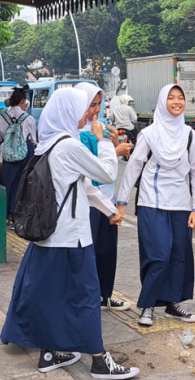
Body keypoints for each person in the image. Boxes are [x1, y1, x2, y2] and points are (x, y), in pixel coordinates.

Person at [0, 87, 140, 380]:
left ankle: (50, 352)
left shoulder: (49, 144)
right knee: (87, 296)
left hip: (49, 236)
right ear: (68, 112)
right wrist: (102, 140)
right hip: (73, 238)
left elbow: (83, 188)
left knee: (50, 295)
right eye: (83, 108)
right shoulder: (69, 146)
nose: (88, 114)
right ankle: (100, 360)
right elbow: (105, 174)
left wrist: (108, 211)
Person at [116, 84, 195, 327]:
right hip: (152, 202)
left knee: (179, 255)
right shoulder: (150, 134)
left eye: (181, 98)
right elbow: (134, 166)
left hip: (181, 205)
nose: (177, 102)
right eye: (171, 98)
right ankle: (147, 305)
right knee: (158, 256)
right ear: (162, 102)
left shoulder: (190, 135)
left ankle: (172, 303)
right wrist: (121, 202)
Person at [76, 82, 134, 312]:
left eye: (99, 104)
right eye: (91, 105)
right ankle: (88, 297)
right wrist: (114, 150)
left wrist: (117, 148)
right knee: (88, 253)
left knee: (107, 250)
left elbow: (110, 170)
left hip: (106, 199)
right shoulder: (76, 134)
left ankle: (104, 295)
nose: (96, 110)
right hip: (88, 202)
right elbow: (91, 168)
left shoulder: (103, 128)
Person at [0, 88, 37, 225]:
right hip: (25, 153)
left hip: (8, 154)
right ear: (23, 101)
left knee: (8, 183)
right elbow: (33, 140)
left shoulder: (0, 117)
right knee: (23, 184)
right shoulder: (28, 118)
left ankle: (6, 214)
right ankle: (19, 214)